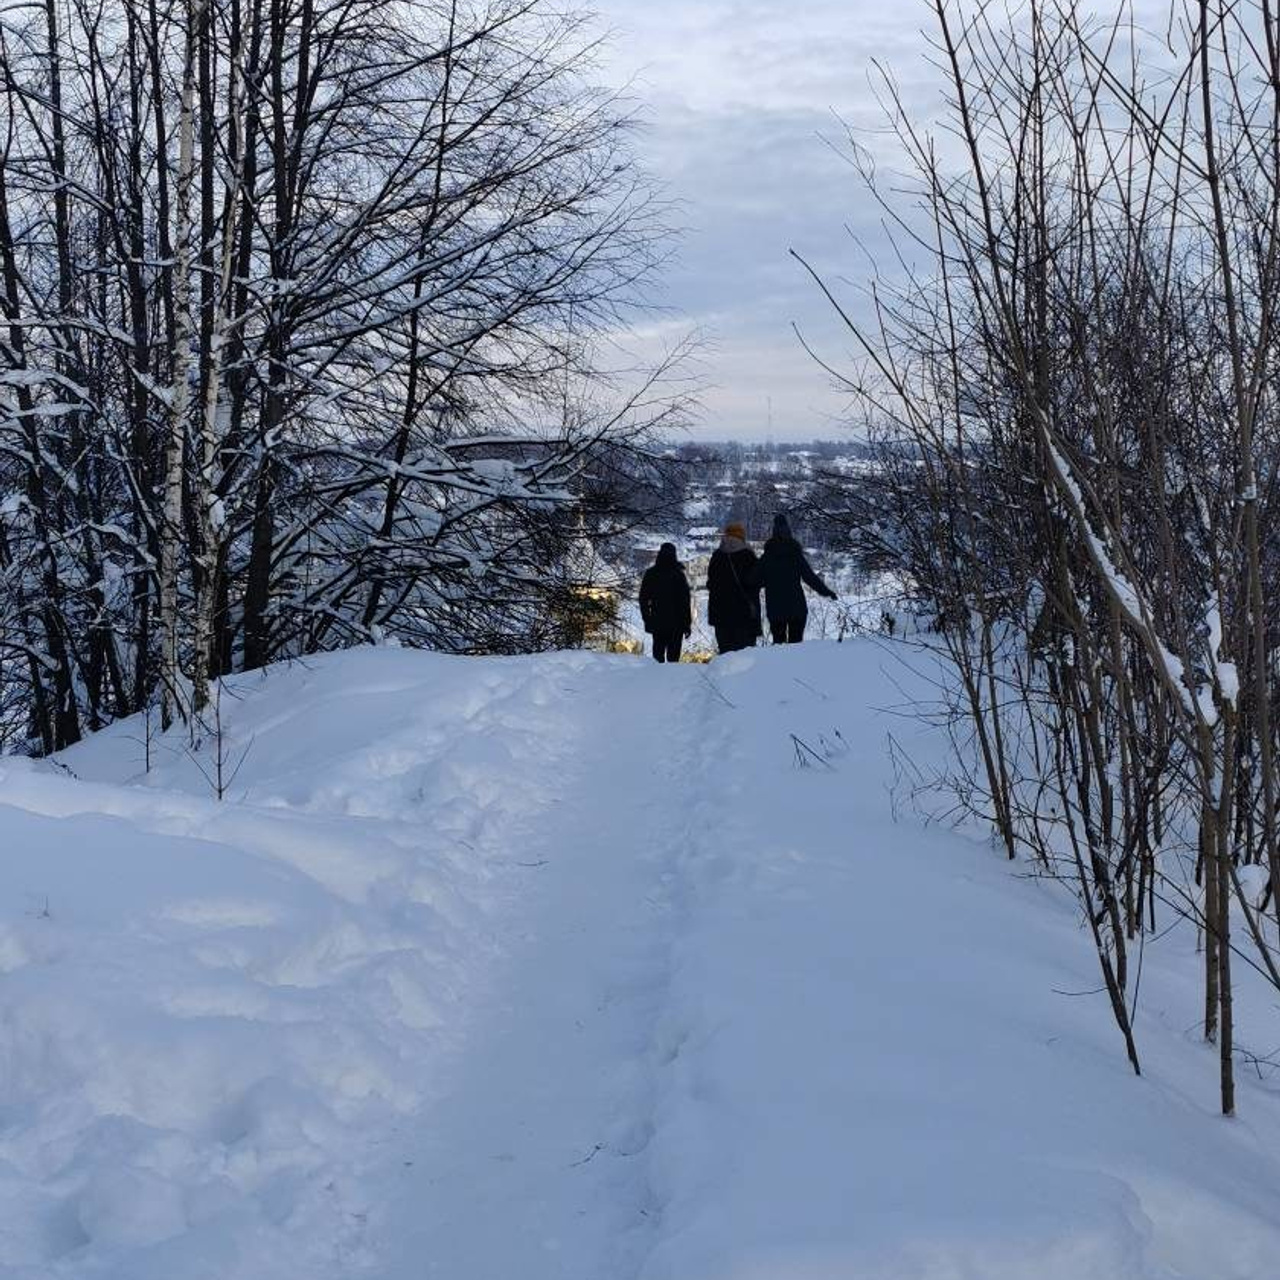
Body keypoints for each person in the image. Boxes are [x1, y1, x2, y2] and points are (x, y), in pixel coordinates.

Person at [758, 513, 836, 644]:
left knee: (779, 646)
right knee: (796, 646)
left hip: (775, 608)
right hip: (796, 607)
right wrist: (826, 591)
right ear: (788, 531)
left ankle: (780, 665)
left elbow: (755, 580)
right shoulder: (795, 554)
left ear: (773, 531)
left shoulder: (767, 557)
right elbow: (809, 577)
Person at [706, 521, 761, 654]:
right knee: (745, 657)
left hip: (721, 614)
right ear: (742, 537)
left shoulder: (717, 556)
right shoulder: (748, 556)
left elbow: (710, 584)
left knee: (725, 657)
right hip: (744, 615)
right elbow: (756, 582)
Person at [639, 542, 692, 663]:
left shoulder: (651, 574)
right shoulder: (679, 575)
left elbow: (643, 599)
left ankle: (657, 681)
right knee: (673, 660)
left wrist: (648, 619)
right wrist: (687, 625)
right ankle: (672, 680)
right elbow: (685, 602)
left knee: (658, 658)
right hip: (677, 624)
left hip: (657, 622)